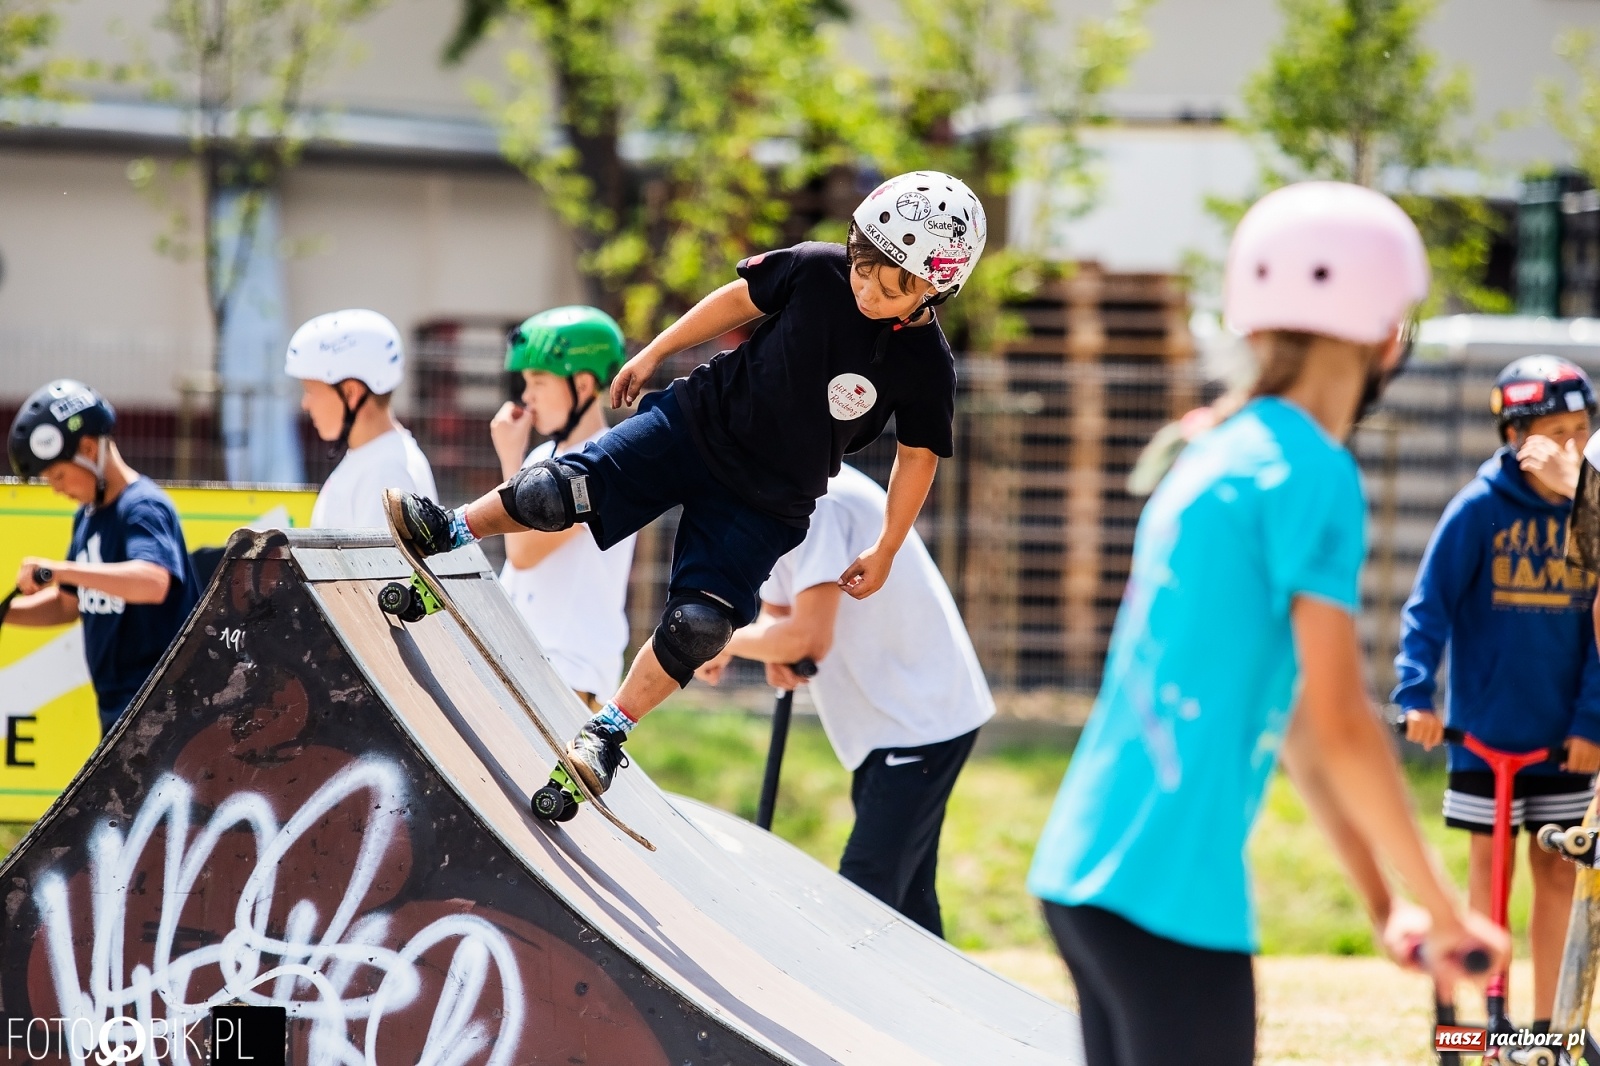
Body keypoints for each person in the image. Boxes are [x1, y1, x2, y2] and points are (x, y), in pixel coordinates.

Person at [1026, 182, 1506, 1066]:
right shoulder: (1311, 473)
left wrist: (1385, 902)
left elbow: (1296, 725)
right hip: (1168, 891)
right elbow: (1343, 721)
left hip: (1085, 870)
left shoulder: (1215, 449)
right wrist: (1446, 911)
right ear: (1387, 332)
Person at [387, 170, 987, 799]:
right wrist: (653, 352)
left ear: (933, 290)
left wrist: (888, 545)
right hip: (694, 425)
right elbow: (735, 300)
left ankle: (607, 732)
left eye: (890, 289)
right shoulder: (816, 269)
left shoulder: (927, 368)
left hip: (768, 497)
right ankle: (447, 528)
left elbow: (918, 456)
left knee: (701, 624)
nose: (866, 289)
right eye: (863, 267)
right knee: (555, 491)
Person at [696, 463, 993, 936]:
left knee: (862, 900)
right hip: (889, 721)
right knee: (907, 911)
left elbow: (807, 638)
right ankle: (932, 1005)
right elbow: (784, 614)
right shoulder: (773, 492)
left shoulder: (820, 500)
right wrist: (769, 642)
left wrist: (721, 639)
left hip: (920, 717)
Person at [1395, 354, 1600, 1032]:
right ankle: (1485, 1020)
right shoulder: (1479, 510)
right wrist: (1416, 695)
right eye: (1554, 432)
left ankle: (1548, 1024)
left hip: (1564, 738)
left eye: (1581, 430)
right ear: (1514, 437)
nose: (1571, 446)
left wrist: (1592, 722)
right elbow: (1429, 608)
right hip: (1485, 733)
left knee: (1559, 873)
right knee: (1490, 874)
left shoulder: (1591, 515)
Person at [5, 379, 199, 734]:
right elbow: (67, 605)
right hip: (118, 715)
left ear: (90, 449)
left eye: (59, 475)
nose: (57, 488)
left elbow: (153, 582)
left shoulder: (142, 507)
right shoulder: (88, 517)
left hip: (162, 714)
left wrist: (61, 570)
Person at [493, 307, 637, 707]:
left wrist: (510, 460)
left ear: (584, 382)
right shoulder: (545, 454)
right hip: (530, 658)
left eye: (539, 381)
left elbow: (522, 553)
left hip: (568, 669)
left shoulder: (602, 463)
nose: (527, 396)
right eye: (525, 381)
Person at [285, 308, 438, 528]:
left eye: (310, 390)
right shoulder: (374, 458)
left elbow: (378, 563)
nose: (305, 404)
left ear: (351, 393)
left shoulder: (386, 473)